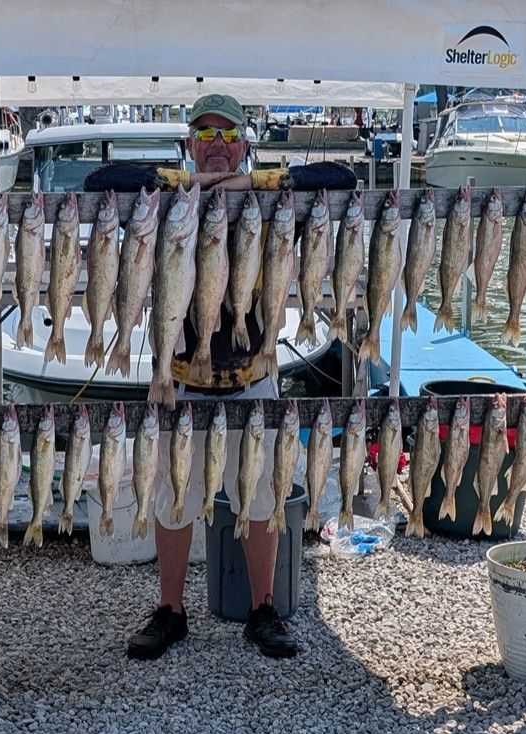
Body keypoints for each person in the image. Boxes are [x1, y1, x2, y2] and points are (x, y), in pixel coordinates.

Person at [83, 93, 355, 660]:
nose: (216, 147)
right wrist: (190, 183)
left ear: (246, 144)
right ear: (189, 145)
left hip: (253, 375)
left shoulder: (269, 194)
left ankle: (263, 607)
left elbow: (342, 174)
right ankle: (171, 610)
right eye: (204, 137)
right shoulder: (168, 196)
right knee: (171, 497)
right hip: (180, 375)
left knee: (260, 495)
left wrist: (251, 185)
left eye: (227, 136)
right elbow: (100, 176)